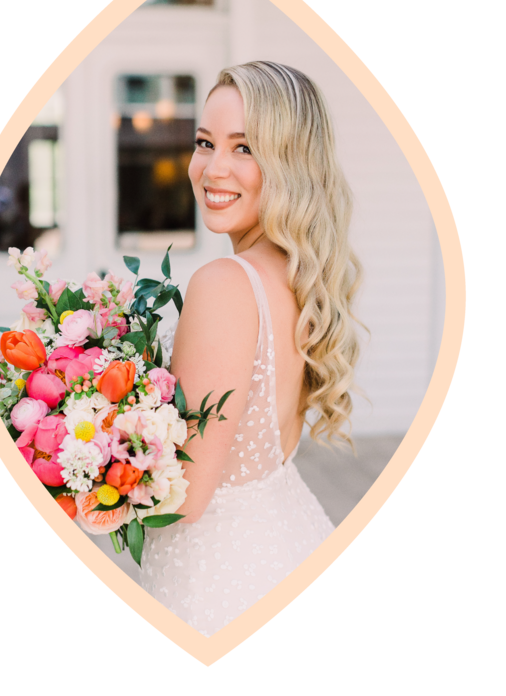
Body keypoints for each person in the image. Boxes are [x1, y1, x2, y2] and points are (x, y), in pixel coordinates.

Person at [139, 61, 364, 636]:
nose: (213, 168)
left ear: (290, 162)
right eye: (205, 142)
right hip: (287, 537)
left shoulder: (225, 283)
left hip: (223, 587)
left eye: (245, 148)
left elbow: (183, 497)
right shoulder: (299, 278)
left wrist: (71, 463)